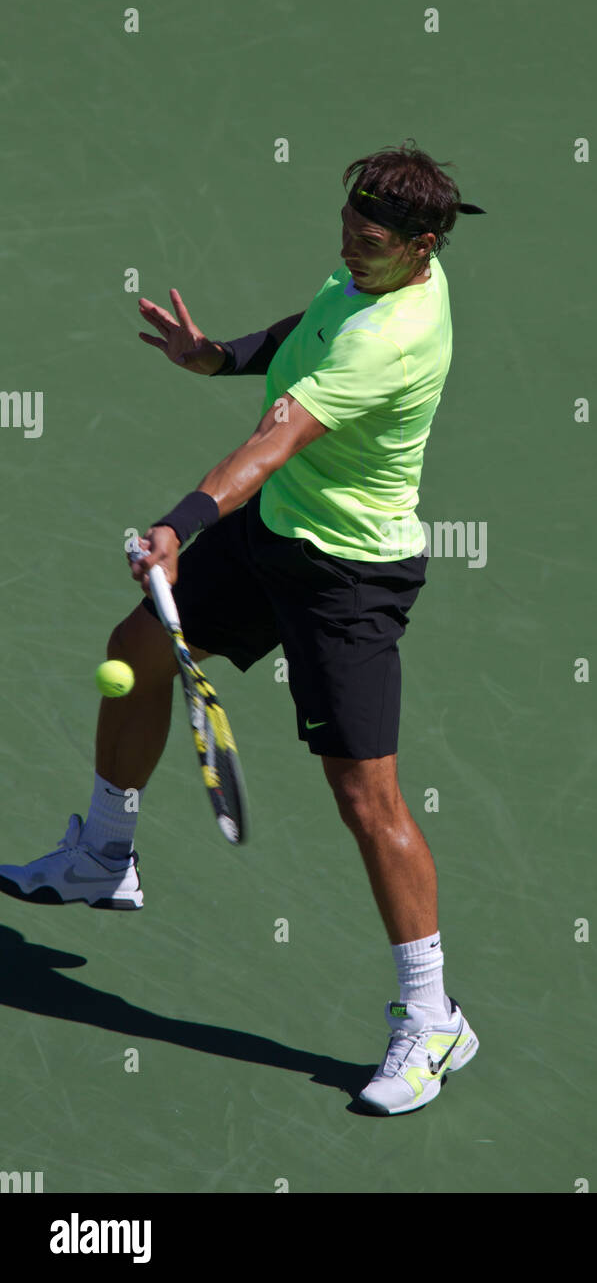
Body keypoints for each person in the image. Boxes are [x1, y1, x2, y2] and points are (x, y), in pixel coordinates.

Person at [0, 139, 486, 1116]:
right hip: (275, 535)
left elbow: (276, 439)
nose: (352, 252)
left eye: (373, 243)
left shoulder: (395, 335)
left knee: (365, 798)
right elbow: (308, 327)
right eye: (347, 232)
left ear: (424, 248)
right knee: (137, 647)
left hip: (346, 578)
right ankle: (104, 854)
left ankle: (433, 1017)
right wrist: (218, 355)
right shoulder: (359, 285)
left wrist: (178, 528)